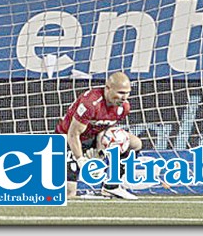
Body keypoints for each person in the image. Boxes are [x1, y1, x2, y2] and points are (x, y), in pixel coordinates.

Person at [55, 71, 142, 199]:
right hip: (66, 140)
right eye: (120, 93)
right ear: (108, 88)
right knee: (69, 193)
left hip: (92, 137)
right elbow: (73, 134)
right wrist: (80, 159)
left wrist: (100, 153)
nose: (124, 97)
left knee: (135, 143)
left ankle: (111, 186)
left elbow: (105, 130)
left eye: (127, 93)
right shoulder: (90, 104)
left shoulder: (124, 107)